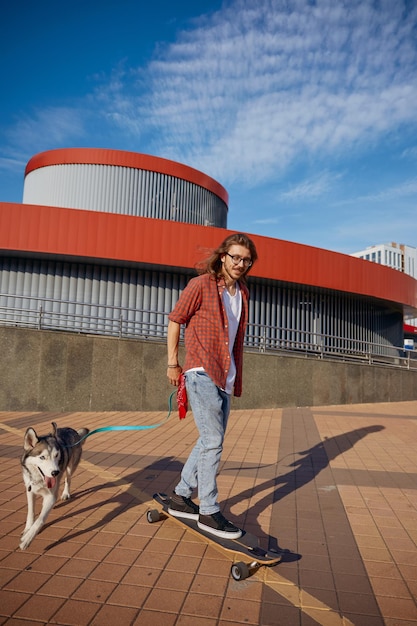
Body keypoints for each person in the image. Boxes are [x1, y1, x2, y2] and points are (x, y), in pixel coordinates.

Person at [166, 232, 258, 539]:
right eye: (235, 257)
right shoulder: (201, 285)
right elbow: (176, 319)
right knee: (213, 440)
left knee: (208, 440)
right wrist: (172, 362)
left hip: (225, 375)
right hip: (200, 371)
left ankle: (181, 495)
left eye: (246, 259)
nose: (240, 264)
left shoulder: (242, 291)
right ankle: (208, 510)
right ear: (223, 256)